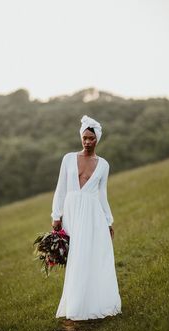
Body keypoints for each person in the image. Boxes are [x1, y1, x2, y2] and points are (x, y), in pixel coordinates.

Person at [51, 115, 122, 320]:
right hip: (72, 213)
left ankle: (91, 303)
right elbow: (61, 188)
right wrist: (56, 215)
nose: (87, 141)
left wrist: (108, 221)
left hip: (93, 215)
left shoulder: (103, 165)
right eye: (85, 137)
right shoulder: (68, 159)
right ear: (81, 137)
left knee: (91, 256)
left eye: (91, 138)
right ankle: (75, 303)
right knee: (75, 258)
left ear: (97, 139)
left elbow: (102, 194)